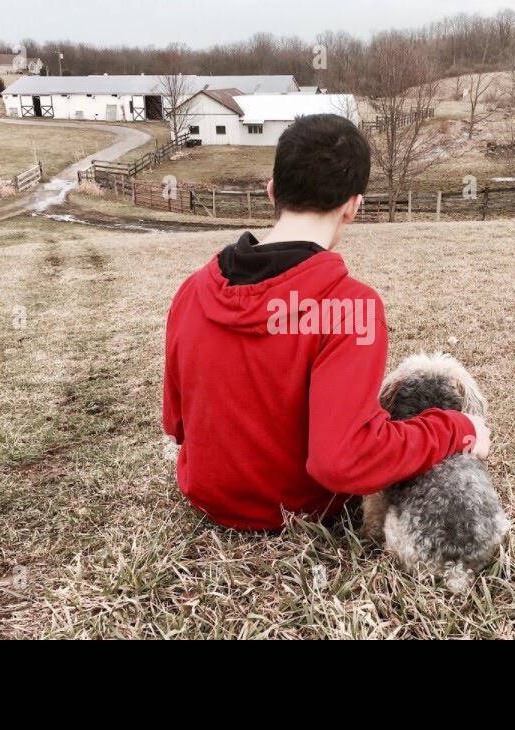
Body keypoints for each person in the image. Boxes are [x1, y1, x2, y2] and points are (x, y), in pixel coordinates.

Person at [162, 113, 490, 530]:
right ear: (353, 206)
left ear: (272, 191)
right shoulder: (351, 307)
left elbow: (175, 423)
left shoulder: (191, 290)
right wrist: (456, 429)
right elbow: (343, 461)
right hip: (299, 512)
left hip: (204, 497)